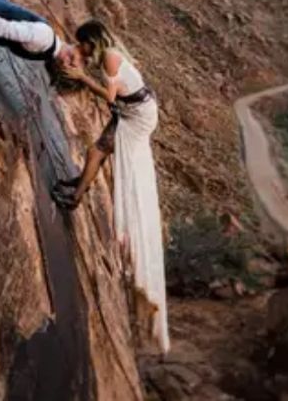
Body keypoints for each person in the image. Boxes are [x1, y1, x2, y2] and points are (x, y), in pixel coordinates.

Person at [54, 20, 169, 354]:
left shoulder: (110, 59)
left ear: (93, 41)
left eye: (84, 45)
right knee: (97, 151)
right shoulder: (110, 55)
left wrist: (81, 78)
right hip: (130, 111)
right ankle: (78, 189)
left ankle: (75, 197)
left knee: (99, 151)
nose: (83, 51)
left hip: (137, 116)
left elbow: (108, 95)